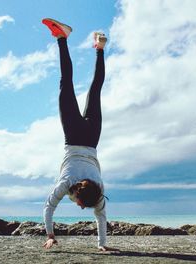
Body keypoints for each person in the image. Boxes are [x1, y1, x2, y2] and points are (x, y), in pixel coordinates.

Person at [41, 18, 118, 252]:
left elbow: (101, 218)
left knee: (95, 90)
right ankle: (62, 38)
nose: (81, 208)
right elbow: (48, 207)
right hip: (74, 136)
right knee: (66, 84)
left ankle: (100, 48)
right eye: (82, 204)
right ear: (78, 192)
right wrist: (51, 235)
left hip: (92, 138)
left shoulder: (99, 189)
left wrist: (103, 245)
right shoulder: (67, 184)